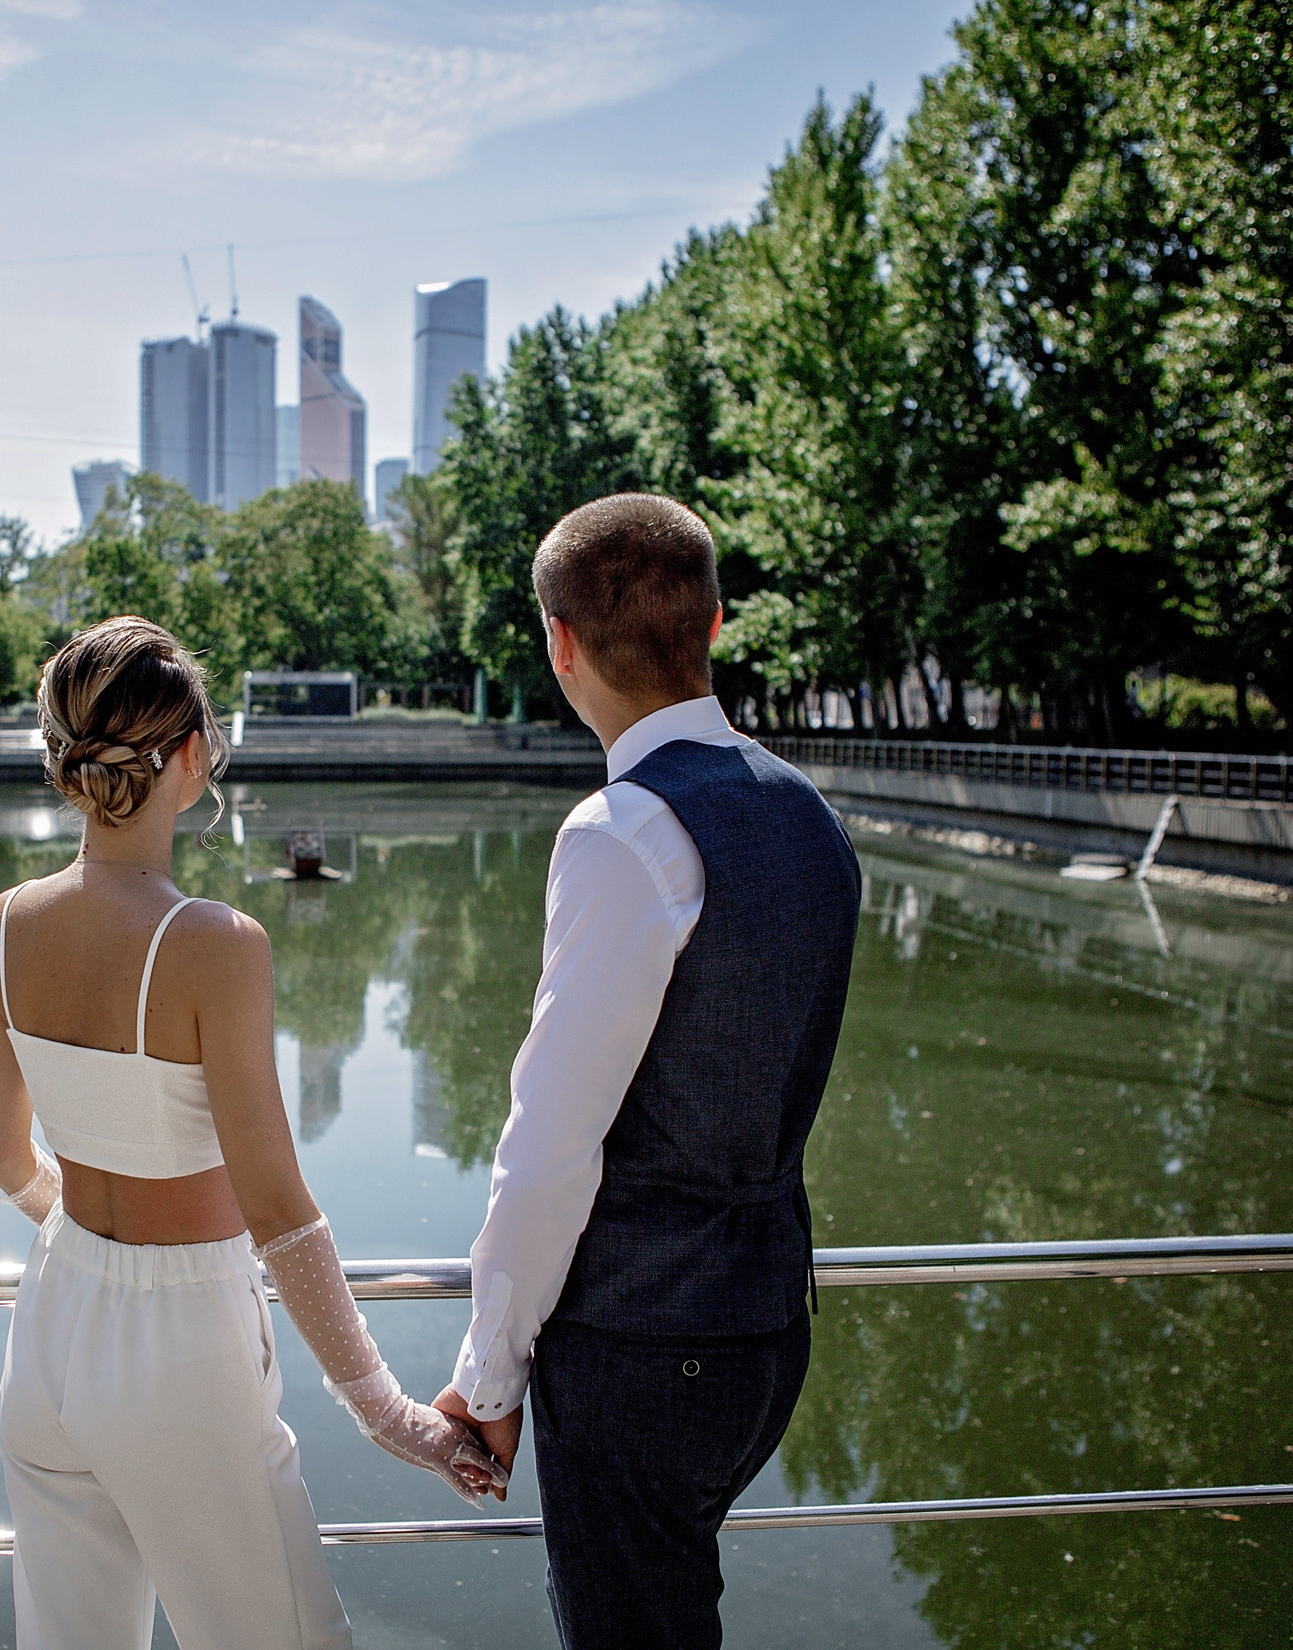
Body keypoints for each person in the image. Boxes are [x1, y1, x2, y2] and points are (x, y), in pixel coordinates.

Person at [0, 615, 504, 1650]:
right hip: (181, 1358)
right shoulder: (216, 943)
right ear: (189, 756)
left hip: (47, 1333)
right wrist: (387, 1412)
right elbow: (277, 1211)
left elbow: (2, 1159)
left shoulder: (6, 924)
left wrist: (90, 1242)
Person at [434, 495, 861, 1650]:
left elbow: (549, 1146)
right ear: (714, 626)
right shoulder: (812, 816)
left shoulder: (622, 831)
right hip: (767, 1332)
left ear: (561, 645)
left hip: (641, 1349)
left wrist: (491, 1371)